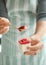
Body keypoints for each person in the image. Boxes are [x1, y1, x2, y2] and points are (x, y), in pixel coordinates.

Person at [0, 0, 46, 65]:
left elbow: (44, 15)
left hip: (36, 41)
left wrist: (38, 36)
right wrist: (2, 24)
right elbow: (2, 13)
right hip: (9, 44)